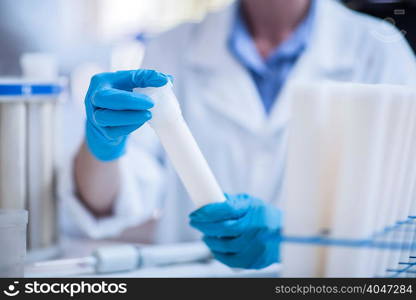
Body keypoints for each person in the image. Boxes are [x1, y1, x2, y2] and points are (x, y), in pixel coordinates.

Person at [61, 0, 416, 269]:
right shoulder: (171, 48)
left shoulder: (381, 53)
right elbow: (105, 202)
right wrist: (103, 145)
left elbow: (403, 221)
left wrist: (296, 238)